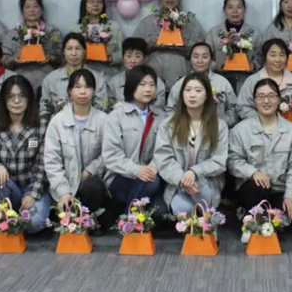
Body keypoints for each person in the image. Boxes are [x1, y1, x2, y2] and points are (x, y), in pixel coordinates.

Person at [0, 75, 50, 234]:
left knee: (33, 224)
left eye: (21, 96)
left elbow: (43, 166)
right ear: (4, 100)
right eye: (11, 97)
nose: (16, 101)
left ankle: (23, 217)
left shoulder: (42, 125)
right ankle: (4, 219)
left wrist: (32, 194)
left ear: (29, 99)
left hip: (34, 186)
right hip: (9, 186)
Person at [228, 78, 292, 218]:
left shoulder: (291, 130)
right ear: (254, 100)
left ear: (279, 99)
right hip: (252, 187)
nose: (266, 101)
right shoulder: (241, 130)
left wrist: (290, 196)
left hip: (280, 189)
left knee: (287, 220)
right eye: (261, 96)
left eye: (271, 96)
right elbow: (233, 161)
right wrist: (253, 172)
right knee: (258, 195)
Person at [154, 73, 229, 214]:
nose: (192, 95)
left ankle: (207, 217)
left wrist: (194, 172)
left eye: (198, 90)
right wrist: (182, 179)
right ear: (182, 95)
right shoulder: (168, 125)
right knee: (183, 210)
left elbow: (219, 160)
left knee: (202, 197)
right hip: (178, 183)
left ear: (207, 95)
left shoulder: (219, 126)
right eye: (188, 90)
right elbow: (163, 158)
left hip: (206, 182)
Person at [102, 66, 168, 214]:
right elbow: (111, 155)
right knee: (152, 184)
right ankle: (130, 220)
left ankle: (126, 216)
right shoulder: (116, 116)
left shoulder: (161, 116)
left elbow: (165, 149)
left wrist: (153, 168)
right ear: (132, 86)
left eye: (152, 85)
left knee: (161, 212)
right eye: (142, 84)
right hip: (121, 176)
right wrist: (136, 170)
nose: (148, 89)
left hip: (151, 175)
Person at [44, 69, 109, 215]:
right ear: (70, 91)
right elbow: (52, 161)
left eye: (88, 87)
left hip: (92, 184)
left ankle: (89, 219)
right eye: (77, 87)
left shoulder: (104, 120)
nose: (83, 92)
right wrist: (64, 192)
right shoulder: (57, 122)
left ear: (94, 91)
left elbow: (109, 153)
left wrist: (89, 171)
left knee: (94, 186)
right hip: (63, 187)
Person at [132, 0, 205, 90]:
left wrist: (184, 48)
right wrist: (152, 46)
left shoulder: (191, 23)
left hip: (182, 81)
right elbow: (134, 50)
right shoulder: (147, 22)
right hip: (151, 82)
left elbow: (202, 52)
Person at [166, 42, 239, 127]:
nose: (200, 61)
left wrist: (221, 123)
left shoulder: (222, 83)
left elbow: (233, 108)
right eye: (196, 56)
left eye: (205, 57)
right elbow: (171, 109)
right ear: (190, 59)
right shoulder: (180, 84)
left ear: (211, 59)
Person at [236, 38, 292, 122]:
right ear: (265, 57)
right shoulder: (253, 81)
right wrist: (261, 121)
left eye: (281, 55)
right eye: (273, 55)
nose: (277, 60)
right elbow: (243, 106)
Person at [3, 0, 63, 94]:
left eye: (35, 6)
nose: (32, 10)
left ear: (42, 9)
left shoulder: (53, 32)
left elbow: (62, 58)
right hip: (20, 81)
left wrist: (50, 58)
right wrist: (14, 60)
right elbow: (3, 61)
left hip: (47, 79)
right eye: (27, 7)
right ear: (22, 11)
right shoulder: (13, 33)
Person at [39, 33, 106, 120]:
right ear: (63, 52)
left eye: (78, 48)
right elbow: (44, 109)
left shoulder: (97, 78)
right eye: (69, 49)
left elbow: (102, 106)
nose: (73, 53)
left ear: (84, 51)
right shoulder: (51, 79)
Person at [206, 0, 263, 91]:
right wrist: (216, 66)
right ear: (224, 10)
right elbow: (206, 56)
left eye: (239, 7)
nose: (235, 11)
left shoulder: (255, 33)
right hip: (220, 82)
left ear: (244, 10)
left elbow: (261, 57)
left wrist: (253, 66)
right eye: (230, 7)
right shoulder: (214, 32)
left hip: (246, 82)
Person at [104, 37, 167, 112]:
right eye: (128, 56)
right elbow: (108, 107)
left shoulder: (157, 83)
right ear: (123, 58)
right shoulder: (113, 82)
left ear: (144, 59)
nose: (133, 61)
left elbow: (158, 110)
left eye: (137, 56)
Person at [74, 0, 123, 80]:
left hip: (108, 75)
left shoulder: (113, 26)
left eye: (99, 2)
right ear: (84, 4)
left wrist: (111, 58)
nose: (95, 5)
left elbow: (123, 53)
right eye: (91, 1)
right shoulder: (75, 28)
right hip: (83, 74)